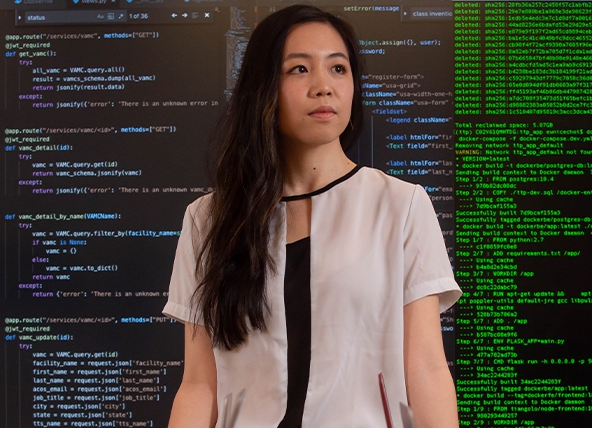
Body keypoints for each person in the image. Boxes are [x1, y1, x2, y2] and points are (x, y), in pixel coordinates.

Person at [163, 5, 462, 428]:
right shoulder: (208, 219)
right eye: (299, 69)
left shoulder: (401, 205)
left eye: (338, 68)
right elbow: (198, 385)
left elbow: (427, 369)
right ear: (262, 88)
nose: (323, 86)